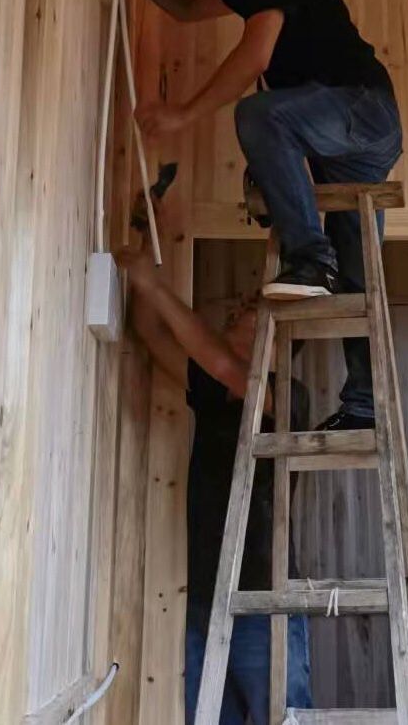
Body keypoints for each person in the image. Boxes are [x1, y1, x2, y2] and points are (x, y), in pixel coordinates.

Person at [126, 0, 402, 430]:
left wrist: (181, 114)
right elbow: (182, 9)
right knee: (358, 280)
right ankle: (363, 409)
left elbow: (255, 55)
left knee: (259, 115)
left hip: (363, 111)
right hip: (347, 144)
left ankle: (309, 258)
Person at [119, 248, 313, 725]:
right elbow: (148, 332)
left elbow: (228, 368)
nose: (232, 314)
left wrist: (155, 287)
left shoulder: (284, 394)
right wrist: (148, 254)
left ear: (274, 338)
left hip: (263, 601)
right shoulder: (210, 393)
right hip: (208, 598)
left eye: (245, 313)